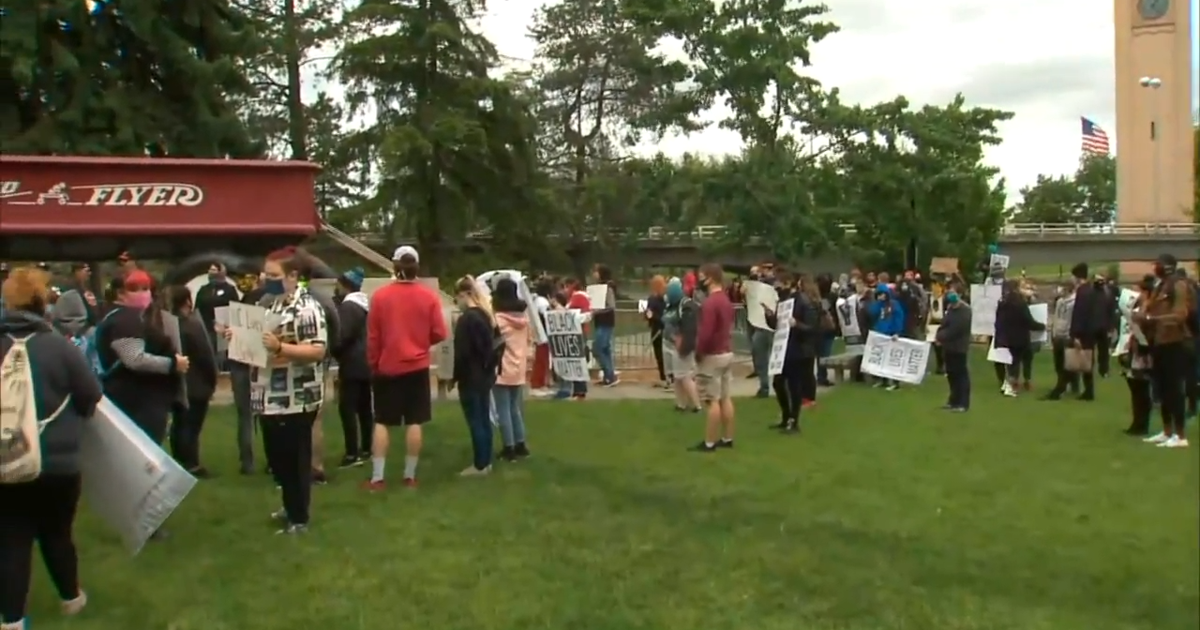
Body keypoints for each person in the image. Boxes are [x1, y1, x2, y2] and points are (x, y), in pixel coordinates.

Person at [0, 266, 103, 630]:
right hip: (59, 462)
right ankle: (71, 598)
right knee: (58, 532)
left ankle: (12, 619)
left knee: (12, 537)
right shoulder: (59, 346)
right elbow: (91, 397)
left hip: (7, 459)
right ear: (43, 302)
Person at [223, 246, 329, 533]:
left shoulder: (307, 308)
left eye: (272, 274)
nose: (264, 279)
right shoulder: (272, 304)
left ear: (293, 276)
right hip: (269, 395)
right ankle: (289, 506)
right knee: (278, 459)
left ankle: (300, 517)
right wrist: (239, 337)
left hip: (295, 397)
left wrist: (282, 348)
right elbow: (261, 344)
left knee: (295, 459)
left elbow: (317, 350)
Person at [364, 246, 447, 490]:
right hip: (417, 365)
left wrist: (373, 361)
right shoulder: (429, 296)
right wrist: (421, 342)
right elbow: (439, 332)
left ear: (395, 266)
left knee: (382, 420)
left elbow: (373, 337)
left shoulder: (380, 297)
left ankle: (377, 477)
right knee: (414, 420)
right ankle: (409, 475)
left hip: (386, 365)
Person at [94, 270, 188, 445]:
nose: (145, 294)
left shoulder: (115, 317)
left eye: (146, 288)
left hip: (133, 398)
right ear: (120, 294)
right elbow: (134, 359)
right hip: (138, 402)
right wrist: (173, 363)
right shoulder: (126, 320)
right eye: (136, 289)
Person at [1137, 254, 1191, 448]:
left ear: (1167, 267)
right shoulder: (1160, 286)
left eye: (1158, 264)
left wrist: (1154, 320)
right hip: (1159, 342)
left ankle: (1181, 435)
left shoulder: (1178, 285)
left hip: (1175, 341)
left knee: (1174, 388)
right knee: (1161, 389)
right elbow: (1151, 309)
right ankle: (1167, 430)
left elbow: (1179, 315)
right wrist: (1142, 315)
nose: (1155, 267)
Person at [166, 285, 219, 477]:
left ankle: (179, 459)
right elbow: (205, 355)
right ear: (188, 301)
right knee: (192, 426)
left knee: (179, 424)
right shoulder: (192, 325)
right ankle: (191, 463)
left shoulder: (168, 325)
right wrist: (213, 379)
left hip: (176, 382)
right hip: (196, 383)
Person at [451, 275, 499, 475]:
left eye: (457, 298)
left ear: (465, 294)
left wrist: (453, 377)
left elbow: (461, 353)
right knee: (484, 418)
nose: (457, 302)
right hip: (485, 374)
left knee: (475, 421)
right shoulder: (485, 316)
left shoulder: (467, 319)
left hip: (470, 376)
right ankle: (486, 460)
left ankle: (479, 464)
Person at [690, 263, 736, 452]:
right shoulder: (726, 300)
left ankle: (709, 442)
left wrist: (698, 352)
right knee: (725, 397)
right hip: (727, 353)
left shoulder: (710, 303)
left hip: (713, 356)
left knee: (711, 400)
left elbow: (706, 332)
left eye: (702, 276)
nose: (699, 279)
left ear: (710, 277)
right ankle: (727, 438)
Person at [332, 267, 373, 469]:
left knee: (347, 409)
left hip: (352, 363)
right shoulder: (364, 305)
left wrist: (333, 349)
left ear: (344, 285)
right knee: (365, 408)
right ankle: (367, 448)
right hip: (366, 362)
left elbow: (343, 336)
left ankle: (352, 453)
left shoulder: (349, 307)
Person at [227, 273, 266, 475]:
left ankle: (247, 462)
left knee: (245, 415)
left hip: (240, 357)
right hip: (263, 360)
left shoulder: (245, 301)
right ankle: (272, 461)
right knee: (269, 413)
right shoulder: (272, 300)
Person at [492, 278, 531, 462]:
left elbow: (492, 343)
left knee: (503, 410)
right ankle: (521, 443)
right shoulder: (523, 318)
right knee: (514, 407)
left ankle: (509, 447)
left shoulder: (498, 320)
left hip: (501, 368)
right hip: (519, 366)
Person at [763, 271, 808, 433]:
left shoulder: (802, 301)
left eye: (779, 283)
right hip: (782, 349)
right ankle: (786, 415)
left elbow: (812, 328)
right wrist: (769, 316)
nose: (777, 286)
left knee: (794, 386)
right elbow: (777, 325)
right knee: (778, 383)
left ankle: (794, 420)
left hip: (796, 349)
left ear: (788, 282)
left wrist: (798, 324)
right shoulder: (783, 300)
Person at [993, 280, 1045, 398]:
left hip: (1007, 337)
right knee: (1027, 359)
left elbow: (998, 321)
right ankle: (1024, 381)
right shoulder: (1020, 303)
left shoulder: (1002, 302)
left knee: (1013, 362)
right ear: (1017, 289)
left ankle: (1013, 381)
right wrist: (1041, 326)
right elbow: (1028, 321)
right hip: (1021, 337)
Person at [1067, 263, 1106, 400]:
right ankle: (1088, 391)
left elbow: (1079, 314)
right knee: (1088, 361)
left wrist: (1076, 334)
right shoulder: (1091, 290)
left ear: (1077, 277)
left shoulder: (1082, 292)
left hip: (1084, 332)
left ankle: (1088, 391)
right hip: (1091, 330)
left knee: (1084, 362)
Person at [1121, 279, 1155, 436]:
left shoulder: (1151, 307)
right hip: (1136, 346)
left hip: (1145, 350)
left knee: (1141, 388)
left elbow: (1147, 325)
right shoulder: (1141, 305)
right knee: (1134, 385)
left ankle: (1142, 423)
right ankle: (1136, 422)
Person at [664, 277, 701, 412]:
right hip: (676, 343)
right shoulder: (677, 305)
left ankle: (697, 405)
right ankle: (681, 403)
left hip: (684, 345)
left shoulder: (686, 306)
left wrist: (684, 345)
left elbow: (690, 329)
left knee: (685, 376)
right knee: (679, 377)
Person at [935, 287, 972, 411]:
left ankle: (963, 403)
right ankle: (953, 401)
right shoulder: (950, 310)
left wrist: (940, 337)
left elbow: (955, 330)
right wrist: (939, 335)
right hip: (949, 347)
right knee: (951, 374)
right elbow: (944, 324)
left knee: (960, 375)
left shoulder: (965, 311)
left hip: (959, 347)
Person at [1044, 281, 1081, 400]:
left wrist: (1073, 335)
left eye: (1062, 289)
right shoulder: (1060, 301)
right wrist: (1053, 332)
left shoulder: (1075, 302)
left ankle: (1068, 386)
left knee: (1069, 364)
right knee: (1058, 363)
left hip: (1068, 335)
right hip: (1058, 335)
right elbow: (1056, 316)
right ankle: (1063, 385)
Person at [192, 261, 236, 361]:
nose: (211, 272)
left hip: (223, 329)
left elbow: (235, 307)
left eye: (214, 270)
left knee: (222, 356)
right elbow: (197, 307)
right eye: (210, 270)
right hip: (206, 326)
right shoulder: (203, 289)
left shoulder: (229, 289)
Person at [866, 284, 907, 390]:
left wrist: (897, 332)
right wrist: (878, 303)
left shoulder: (894, 304)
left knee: (891, 360)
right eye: (879, 294)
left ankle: (895, 382)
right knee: (880, 359)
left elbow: (899, 317)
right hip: (880, 334)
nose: (881, 296)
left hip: (891, 335)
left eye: (883, 294)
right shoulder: (878, 305)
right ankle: (881, 380)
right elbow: (871, 313)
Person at [556, 279, 591, 400]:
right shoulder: (578, 297)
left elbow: (571, 313)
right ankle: (578, 391)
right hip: (578, 332)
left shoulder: (577, 297)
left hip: (578, 332)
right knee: (577, 360)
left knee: (577, 360)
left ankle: (579, 391)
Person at [747, 266, 774, 398]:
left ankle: (766, 387)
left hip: (766, 326)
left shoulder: (769, 287)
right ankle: (765, 386)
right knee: (760, 356)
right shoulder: (753, 289)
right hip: (758, 324)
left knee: (763, 357)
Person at [590, 264, 619, 386]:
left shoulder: (608, 288)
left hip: (605, 322)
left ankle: (609, 374)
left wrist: (597, 311)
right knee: (605, 349)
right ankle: (609, 376)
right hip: (600, 321)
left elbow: (611, 306)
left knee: (597, 348)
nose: (594, 274)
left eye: (596, 271)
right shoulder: (598, 288)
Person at [529, 279, 554, 395]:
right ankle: (537, 384)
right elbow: (547, 316)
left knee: (541, 358)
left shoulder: (536, 300)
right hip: (543, 332)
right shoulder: (543, 302)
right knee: (541, 358)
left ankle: (540, 383)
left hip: (539, 332)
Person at [645, 275, 668, 387]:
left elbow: (650, 314)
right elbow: (649, 313)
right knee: (660, 354)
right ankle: (664, 376)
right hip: (658, 328)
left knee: (662, 354)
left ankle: (666, 376)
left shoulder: (662, 299)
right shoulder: (655, 299)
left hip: (661, 329)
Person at [815, 273, 837, 387]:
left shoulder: (814, 296)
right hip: (827, 328)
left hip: (819, 328)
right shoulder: (832, 296)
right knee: (824, 354)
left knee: (821, 354)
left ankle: (821, 376)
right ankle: (821, 376)